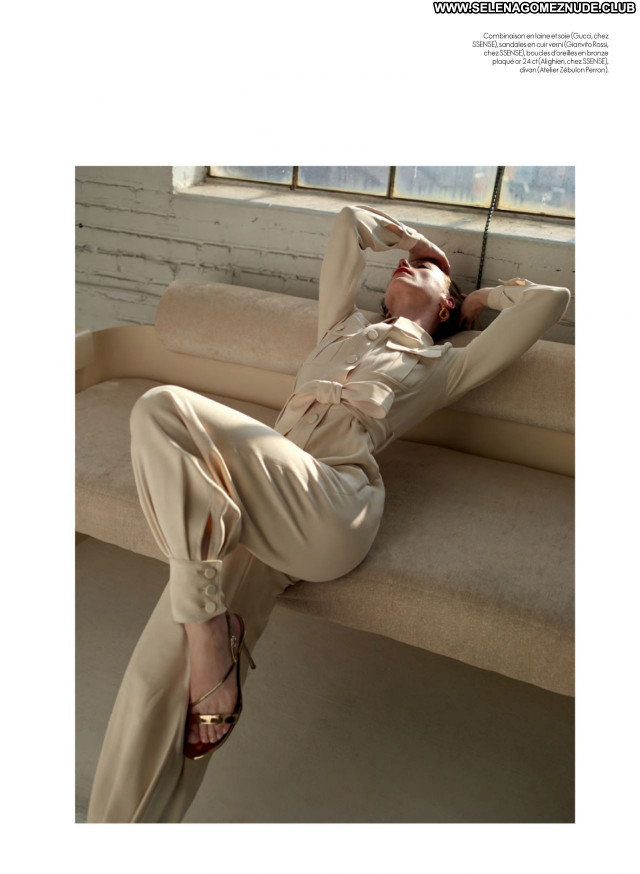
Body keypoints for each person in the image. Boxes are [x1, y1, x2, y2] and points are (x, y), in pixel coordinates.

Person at [87, 204, 570, 821]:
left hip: (335, 507)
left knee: (163, 409)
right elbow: (349, 224)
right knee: (155, 683)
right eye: (404, 263)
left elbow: (550, 301)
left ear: (448, 304)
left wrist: (476, 302)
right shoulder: (340, 327)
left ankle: (208, 630)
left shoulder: (446, 366)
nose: (406, 264)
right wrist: (418, 245)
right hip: (258, 503)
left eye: (424, 270)